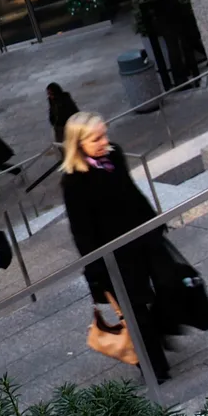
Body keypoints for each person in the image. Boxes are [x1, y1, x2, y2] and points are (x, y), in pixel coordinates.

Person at [60, 112, 175, 382]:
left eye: (104, 134)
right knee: (135, 312)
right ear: (77, 143)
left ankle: (161, 337)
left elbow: (132, 192)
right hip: (115, 257)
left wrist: (154, 222)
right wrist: (96, 268)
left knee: (167, 286)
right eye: (96, 138)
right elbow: (81, 230)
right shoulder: (74, 181)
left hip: (143, 239)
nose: (105, 142)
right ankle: (154, 369)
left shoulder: (114, 156)